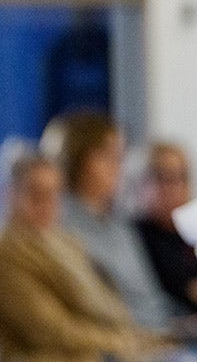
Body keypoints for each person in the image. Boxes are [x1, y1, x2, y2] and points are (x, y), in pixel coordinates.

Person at [0, 151, 185, 362]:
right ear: (10, 194)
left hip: (100, 351)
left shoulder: (65, 241)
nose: (46, 204)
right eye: (36, 193)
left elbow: (104, 303)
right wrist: (122, 344)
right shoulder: (8, 253)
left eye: (53, 194)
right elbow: (51, 330)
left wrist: (143, 338)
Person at [39, 112, 185, 336]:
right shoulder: (57, 224)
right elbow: (93, 309)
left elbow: (148, 295)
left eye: (120, 157)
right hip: (116, 340)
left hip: (159, 332)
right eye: (108, 156)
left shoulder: (120, 224)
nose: (118, 167)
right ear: (77, 159)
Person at [136, 142, 197, 320]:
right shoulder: (134, 237)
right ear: (145, 183)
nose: (174, 188)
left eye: (181, 178)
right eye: (165, 179)